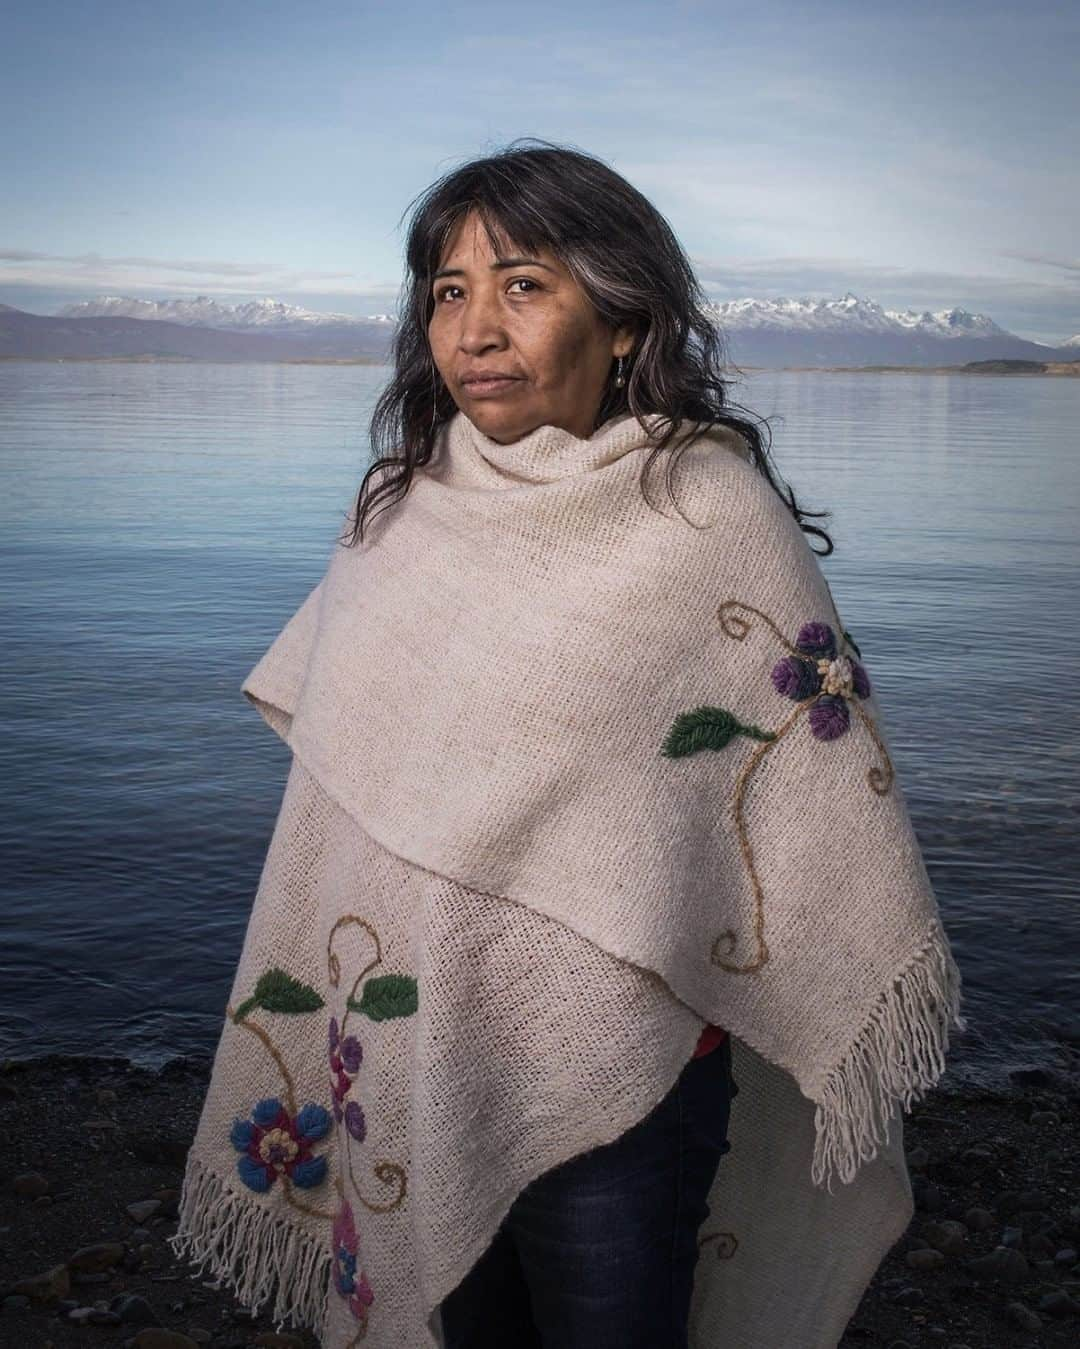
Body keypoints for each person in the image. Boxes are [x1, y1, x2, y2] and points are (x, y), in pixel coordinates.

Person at [169, 138, 966, 1349]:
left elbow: (800, 793)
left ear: (625, 319)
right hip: (411, 1038)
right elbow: (345, 786)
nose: (475, 329)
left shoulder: (703, 511)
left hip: (623, 1070)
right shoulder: (400, 504)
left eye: (523, 285)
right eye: (449, 293)